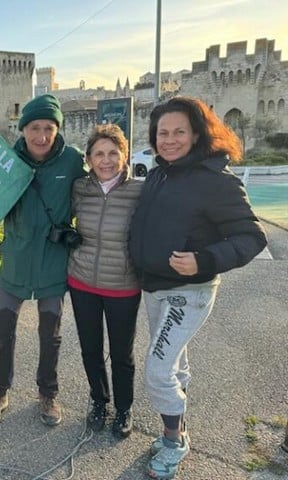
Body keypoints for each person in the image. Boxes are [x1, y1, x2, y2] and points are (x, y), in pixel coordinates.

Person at [129, 96, 268, 479]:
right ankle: (177, 426)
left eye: (179, 132)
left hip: (188, 292)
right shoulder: (159, 174)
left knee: (158, 370)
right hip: (155, 288)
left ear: (197, 134)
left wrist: (204, 260)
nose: (170, 140)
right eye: (162, 133)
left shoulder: (215, 181)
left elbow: (251, 238)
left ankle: (174, 440)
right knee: (175, 364)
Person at [0, 94, 86, 428]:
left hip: (53, 261)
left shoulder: (71, 161)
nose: (42, 136)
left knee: (50, 334)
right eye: (35, 128)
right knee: (3, 332)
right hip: (16, 261)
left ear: (57, 129)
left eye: (49, 128)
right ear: (23, 129)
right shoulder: (7, 162)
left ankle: (48, 394)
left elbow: (98, 187)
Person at [67, 124, 142, 439]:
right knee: (90, 349)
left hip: (123, 286)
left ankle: (124, 407)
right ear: (89, 158)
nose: (106, 160)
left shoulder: (140, 191)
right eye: (99, 153)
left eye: (113, 153)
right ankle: (100, 401)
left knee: (122, 354)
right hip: (82, 281)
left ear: (124, 156)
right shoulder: (79, 189)